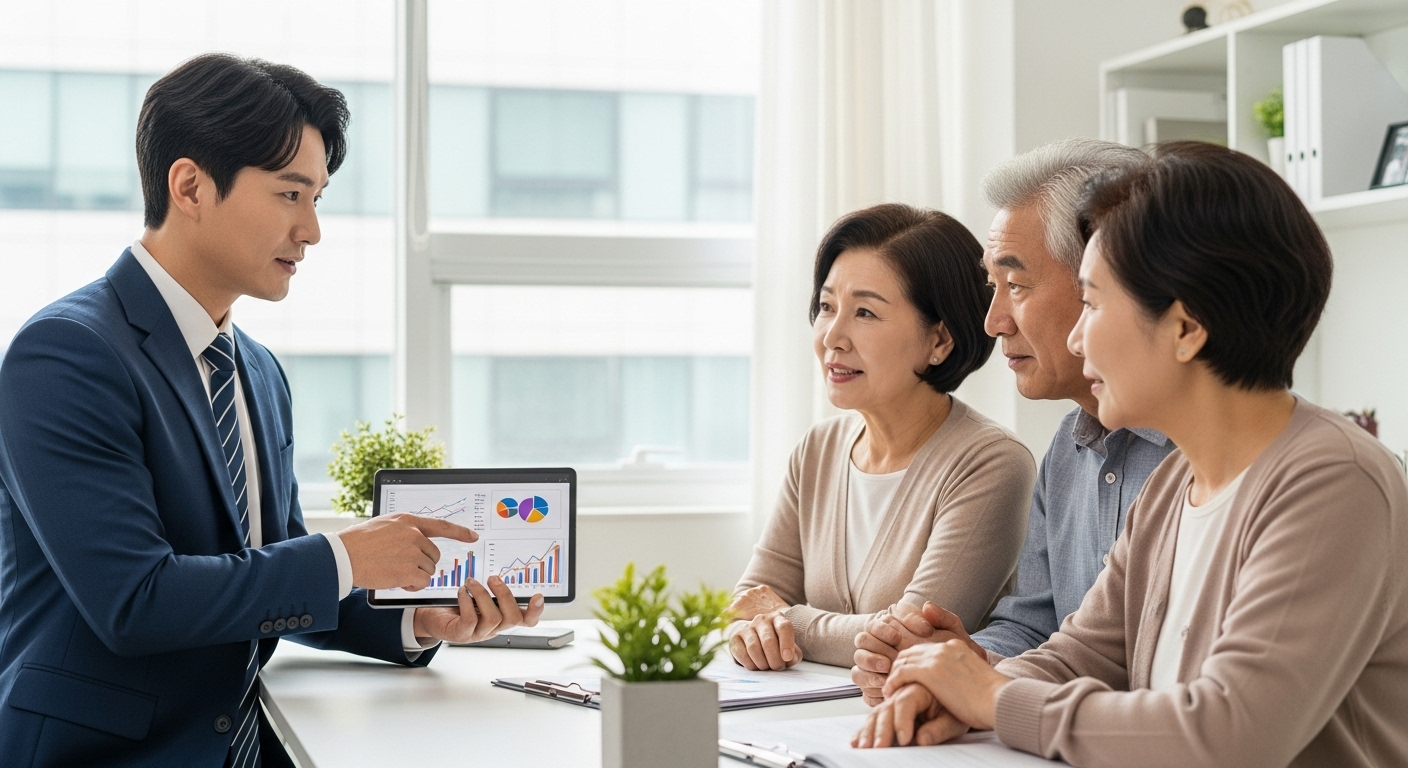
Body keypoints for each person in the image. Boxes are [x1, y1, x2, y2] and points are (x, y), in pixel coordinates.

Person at [0, 54, 543, 767]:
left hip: (244, 742)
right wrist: (345, 556)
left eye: (318, 199)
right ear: (191, 186)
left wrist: (416, 621)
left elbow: (268, 566)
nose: (311, 230)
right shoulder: (66, 354)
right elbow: (135, 601)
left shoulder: (256, 370)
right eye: (291, 194)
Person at [853, 142, 1408, 767]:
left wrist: (994, 698)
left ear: (1185, 328)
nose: (1077, 336)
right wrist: (952, 686)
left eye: (1092, 303)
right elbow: (1081, 654)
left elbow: (1230, 735)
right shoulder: (1174, 486)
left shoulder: (1334, 481)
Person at [849, 139, 1175, 704]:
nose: (994, 321)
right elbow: (1037, 630)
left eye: (1017, 286)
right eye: (992, 288)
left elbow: (1185, 699)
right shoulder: (1068, 448)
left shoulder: (1208, 459)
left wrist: (988, 689)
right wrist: (965, 662)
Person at [727, 203, 1036, 670]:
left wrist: (788, 621)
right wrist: (751, 630)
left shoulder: (992, 463)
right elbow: (748, 604)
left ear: (940, 341)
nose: (833, 336)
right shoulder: (817, 450)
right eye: (827, 307)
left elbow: (908, 636)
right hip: (810, 709)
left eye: (865, 312)